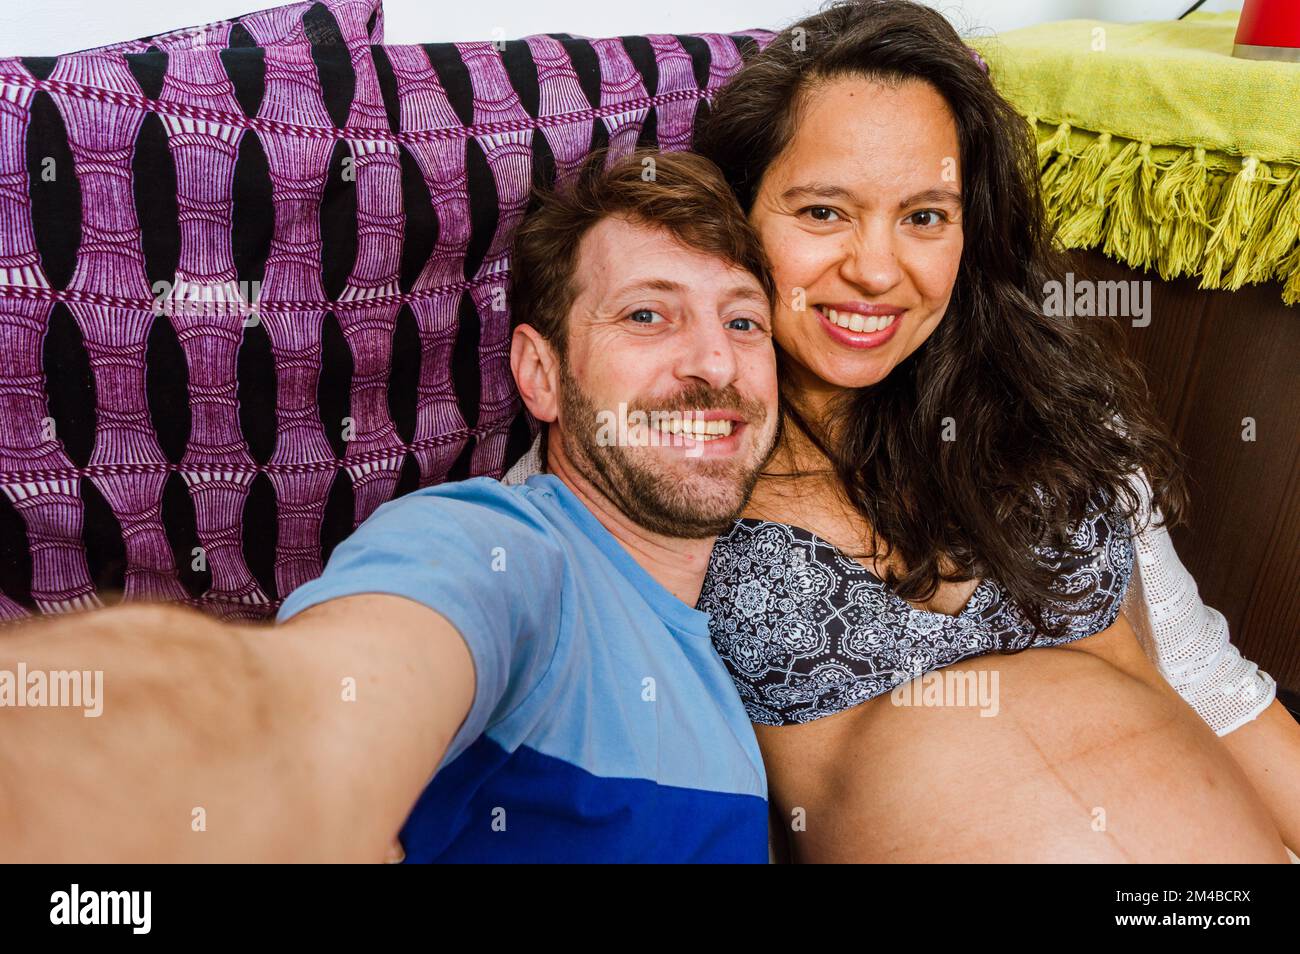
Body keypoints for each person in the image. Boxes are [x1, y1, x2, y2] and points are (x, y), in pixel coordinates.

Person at [506, 1, 1300, 863]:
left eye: (924, 216)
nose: (877, 271)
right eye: (822, 213)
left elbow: (1209, 686)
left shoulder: (1049, 406)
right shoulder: (655, 453)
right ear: (735, 217)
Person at [0, 150, 781, 863]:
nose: (715, 362)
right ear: (540, 375)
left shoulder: (728, 684)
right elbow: (282, 720)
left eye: (744, 321)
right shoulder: (502, 551)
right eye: (647, 314)